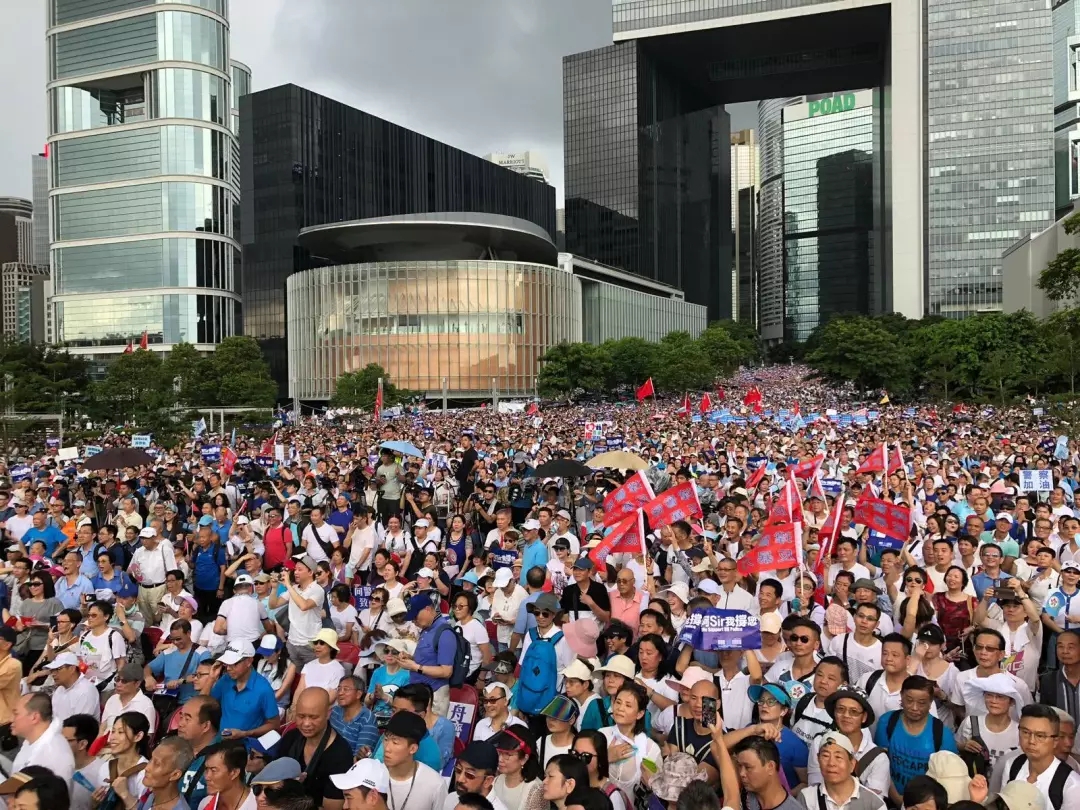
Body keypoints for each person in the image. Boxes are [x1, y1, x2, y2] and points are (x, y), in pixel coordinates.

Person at [873, 675, 957, 806]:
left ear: (930, 703)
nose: (915, 708)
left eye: (922, 703)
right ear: (901, 697)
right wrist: (897, 798)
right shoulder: (887, 722)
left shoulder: (942, 734)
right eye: (909, 700)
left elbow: (949, 779)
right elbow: (880, 764)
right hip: (890, 798)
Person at [991, 704, 1080, 810]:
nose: (1031, 741)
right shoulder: (1012, 765)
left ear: (1055, 741)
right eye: (1025, 732)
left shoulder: (1071, 785)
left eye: (1040, 736)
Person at [277, 688, 353, 810]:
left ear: (328, 713)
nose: (306, 723)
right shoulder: (291, 738)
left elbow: (332, 807)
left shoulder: (340, 754)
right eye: (301, 716)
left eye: (313, 717)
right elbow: (273, 781)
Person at [807, 687, 889, 797]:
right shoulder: (820, 742)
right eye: (840, 709)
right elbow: (814, 788)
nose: (846, 715)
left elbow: (873, 802)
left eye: (853, 712)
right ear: (834, 713)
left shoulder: (879, 758)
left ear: (864, 717)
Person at [396, 592, 457, 717]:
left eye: (415, 617)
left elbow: (446, 671)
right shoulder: (426, 629)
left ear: (428, 609)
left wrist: (415, 667)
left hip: (435, 695)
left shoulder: (444, 632)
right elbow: (429, 658)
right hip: (420, 693)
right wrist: (410, 659)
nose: (413, 621)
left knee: (432, 733)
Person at [599, 683, 662, 797]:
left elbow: (658, 791)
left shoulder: (650, 749)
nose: (620, 708)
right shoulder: (601, 735)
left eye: (628, 705)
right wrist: (605, 757)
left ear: (639, 714)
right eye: (618, 702)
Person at [210, 640, 281, 743]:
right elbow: (204, 705)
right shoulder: (225, 679)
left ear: (248, 661)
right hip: (221, 742)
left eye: (234, 664)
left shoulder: (263, 689)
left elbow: (274, 724)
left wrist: (245, 734)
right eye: (226, 664)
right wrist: (211, 679)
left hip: (244, 748)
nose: (229, 668)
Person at [797, 731, 886, 810]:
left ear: (852, 764)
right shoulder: (807, 798)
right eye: (825, 756)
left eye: (838, 757)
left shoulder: (874, 804)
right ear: (818, 759)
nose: (831, 763)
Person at [380, 710, 447, 810]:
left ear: (412, 749)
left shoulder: (435, 784)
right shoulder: (373, 775)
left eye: (395, 742)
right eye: (386, 740)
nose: (387, 748)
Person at [271, 557, 325, 669]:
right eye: (295, 569)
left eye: (300, 570)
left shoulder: (317, 590)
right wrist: (274, 588)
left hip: (310, 643)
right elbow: (273, 605)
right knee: (293, 678)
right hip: (292, 642)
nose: (295, 572)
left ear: (310, 572)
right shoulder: (294, 588)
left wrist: (288, 586)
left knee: (310, 678)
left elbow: (304, 606)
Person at [145, 620, 210, 705]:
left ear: (188, 633)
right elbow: (148, 667)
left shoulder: (203, 653)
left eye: (178, 639)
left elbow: (205, 676)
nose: (175, 642)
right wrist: (148, 677)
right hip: (168, 701)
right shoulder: (168, 652)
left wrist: (179, 682)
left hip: (191, 701)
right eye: (172, 639)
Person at [732, 736, 804, 810]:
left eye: (748, 767)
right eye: (740, 766)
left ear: (770, 767)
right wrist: (754, 729)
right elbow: (720, 749)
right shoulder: (745, 792)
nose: (741, 773)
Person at [177, 696, 223, 809]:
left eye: (187, 719)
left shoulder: (222, 757)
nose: (180, 724)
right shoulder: (176, 747)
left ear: (206, 726)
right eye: (181, 717)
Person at [99, 712, 152, 810]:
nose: (112, 738)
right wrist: (96, 802)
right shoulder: (106, 767)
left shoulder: (146, 772)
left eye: (120, 732)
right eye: (113, 731)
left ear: (138, 736)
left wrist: (125, 794)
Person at [444, 741, 510, 810]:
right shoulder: (451, 799)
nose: (460, 779)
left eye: (469, 774)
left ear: (488, 781)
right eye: (458, 770)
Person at [491, 727, 545, 810]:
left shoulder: (536, 790)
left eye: (507, 755)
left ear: (524, 759)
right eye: (499, 753)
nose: (500, 759)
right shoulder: (496, 781)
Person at [136, 736, 196, 810]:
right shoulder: (148, 794)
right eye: (151, 759)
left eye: (157, 764)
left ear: (175, 775)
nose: (147, 768)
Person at [214, 574, 272, 647]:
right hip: (253, 643)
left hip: (233, 644)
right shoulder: (257, 603)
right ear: (251, 587)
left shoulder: (226, 603)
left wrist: (232, 631)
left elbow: (217, 630)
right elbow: (269, 628)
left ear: (235, 590)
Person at [61, 713, 105, 810]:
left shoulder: (102, 771)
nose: (60, 744)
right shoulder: (56, 766)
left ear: (82, 744)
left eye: (66, 740)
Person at [330, 675, 379, 758]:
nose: (340, 693)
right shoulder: (335, 711)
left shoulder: (367, 719)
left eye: (346, 689)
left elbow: (360, 758)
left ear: (358, 694)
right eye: (339, 689)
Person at [101, 663, 158, 735]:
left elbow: (148, 736)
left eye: (124, 681)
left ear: (137, 684)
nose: (118, 684)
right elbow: (102, 729)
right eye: (117, 679)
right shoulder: (112, 699)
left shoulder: (146, 705)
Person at [198, 740, 256, 810]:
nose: (207, 777)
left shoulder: (257, 805)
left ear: (234, 773)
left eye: (213, 770)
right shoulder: (205, 804)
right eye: (206, 769)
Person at [44, 652, 101, 723]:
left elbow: (79, 727)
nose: (53, 674)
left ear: (72, 669)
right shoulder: (59, 690)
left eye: (58, 669)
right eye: (52, 670)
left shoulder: (86, 691)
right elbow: (55, 719)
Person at [296, 628, 346, 703]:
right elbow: (299, 691)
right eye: (316, 643)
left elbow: (330, 699)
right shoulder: (308, 665)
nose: (317, 646)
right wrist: (294, 707)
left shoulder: (338, 670)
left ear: (331, 648)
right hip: (303, 708)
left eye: (322, 643)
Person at [538, 696, 579, 766]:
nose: (550, 720)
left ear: (571, 720)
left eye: (557, 716)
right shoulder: (541, 742)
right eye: (548, 715)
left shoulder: (579, 745)